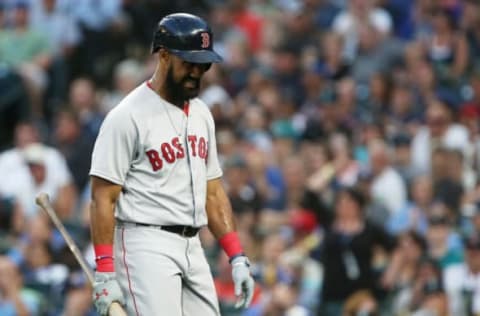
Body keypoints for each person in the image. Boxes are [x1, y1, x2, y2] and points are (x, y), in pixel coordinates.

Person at [88, 13, 255, 316]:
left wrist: (237, 256)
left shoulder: (202, 114)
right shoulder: (127, 116)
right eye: (188, 62)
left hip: (192, 245)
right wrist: (105, 271)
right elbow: (103, 196)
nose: (196, 71)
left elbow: (213, 193)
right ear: (163, 56)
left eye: (202, 64)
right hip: (144, 243)